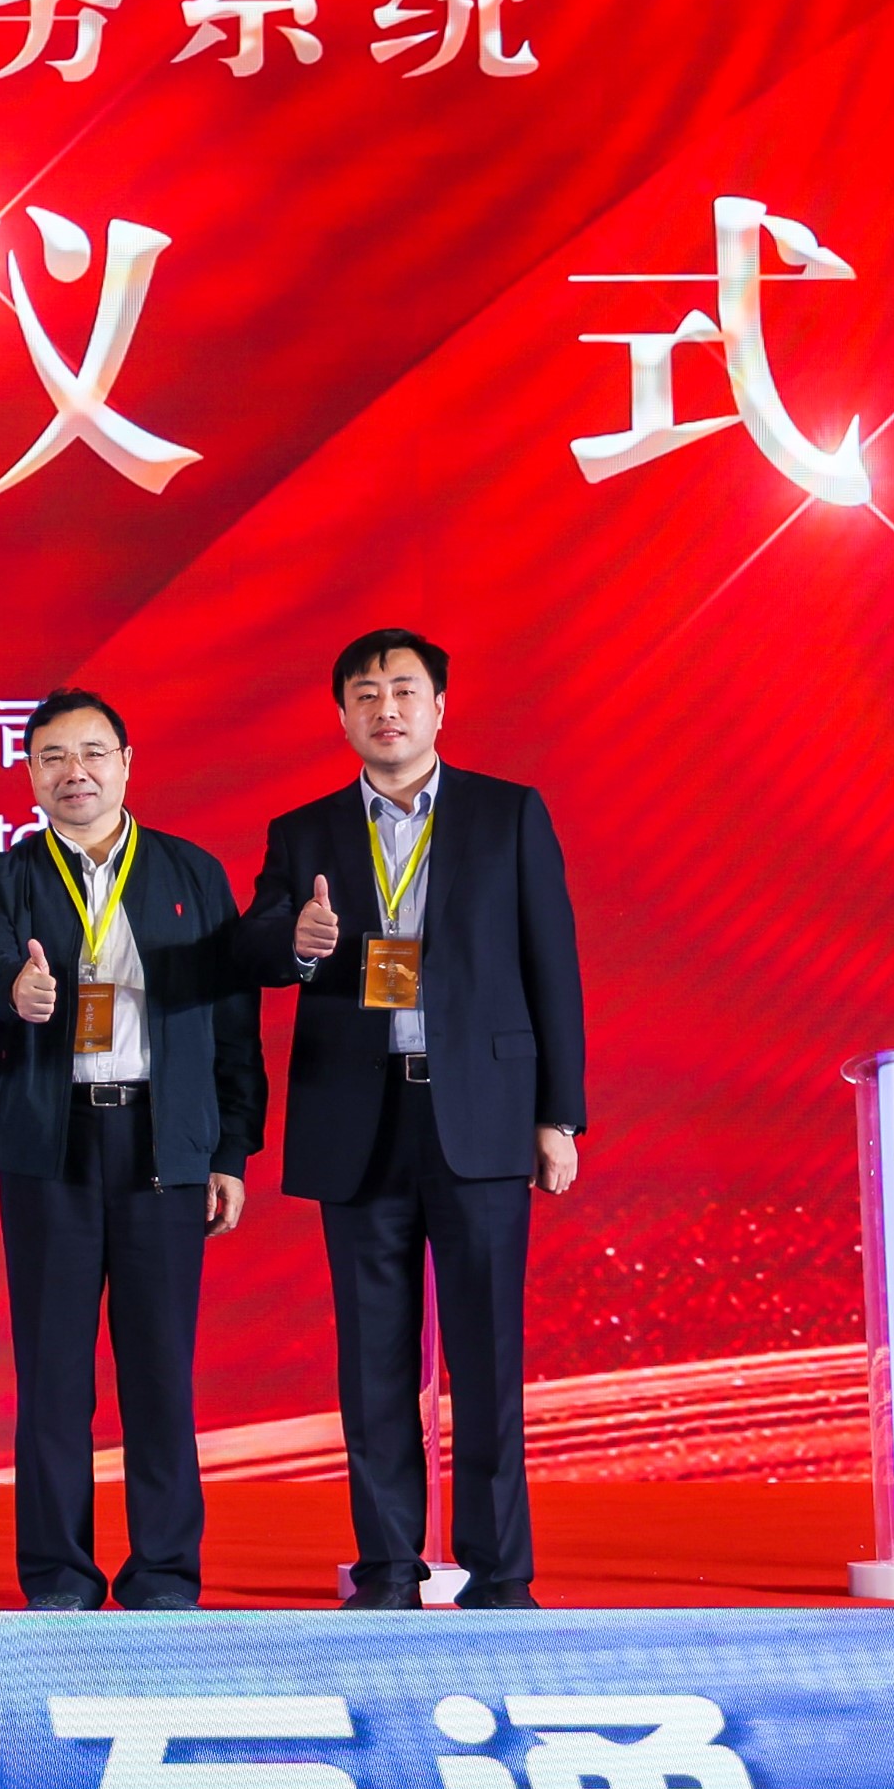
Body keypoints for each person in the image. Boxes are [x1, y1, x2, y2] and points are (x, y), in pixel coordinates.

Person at [241, 627, 585, 1611]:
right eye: (365, 694)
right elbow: (254, 948)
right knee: (373, 1362)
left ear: (439, 707)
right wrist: (298, 941)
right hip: (360, 1115)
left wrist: (559, 1115)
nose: (385, 710)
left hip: (482, 1112)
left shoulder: (507, 814)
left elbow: (551, 964)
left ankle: (500, 1570)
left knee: (488, 1356)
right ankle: (389, 1568)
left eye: (403, 691)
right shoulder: (303, 831)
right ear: (342, 715)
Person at [0, 689, 263, 1612]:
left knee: (159, 1370)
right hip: (52, 1146)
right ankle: (59, 1577)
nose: (73, 772)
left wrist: (230, 1151)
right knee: (52, 1374)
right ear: (30, 774)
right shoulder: (5, 875)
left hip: (162, 1144)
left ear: (127, 763)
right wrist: (13, 991)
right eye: (52, 757)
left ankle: (163, 1573)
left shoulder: (190, 871)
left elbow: (232, 1022)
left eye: (92, 753)